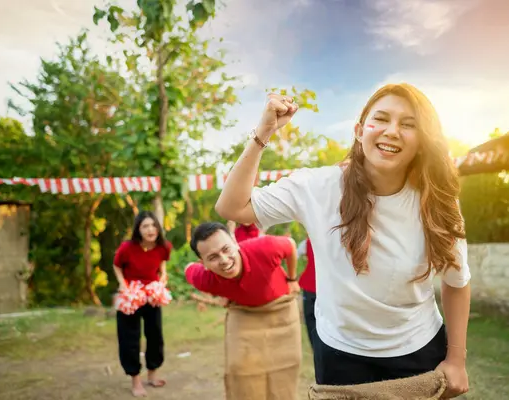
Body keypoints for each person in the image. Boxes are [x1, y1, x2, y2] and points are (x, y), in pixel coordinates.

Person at [214, 84, 471, 398]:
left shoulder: (439, 202)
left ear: (422, 141)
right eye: (382, 119)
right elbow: (232, 207)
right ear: (360, 131)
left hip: (417, 351)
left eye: (408, 124)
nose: (392, 131)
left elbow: (457, 281)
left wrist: (456, 359)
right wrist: (262, 133)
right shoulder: (318, 186)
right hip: (340, 355)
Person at [184, 222, 301, 400]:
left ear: (235, 242)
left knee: (285, 369)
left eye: (226, 249)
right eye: (213, 257)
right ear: (204, 263)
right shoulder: (204, 278)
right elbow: (188, 270)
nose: (223, 260)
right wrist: (219, 292)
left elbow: (291, 245)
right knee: (240, 370)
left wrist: (292, 278)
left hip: (281, 311)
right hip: (245, 315)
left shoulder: (264, 248)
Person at [113, 211, 171, 397]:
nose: (150, 229)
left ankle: (152, 374)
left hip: (152, 295)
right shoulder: (127, 248)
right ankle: (136, 381)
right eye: (145, 226)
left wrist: (162, 279)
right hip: (131, 297)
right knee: (130, 338)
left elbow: (162, 265)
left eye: (153, 225)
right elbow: (117, 265)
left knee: (155, 334)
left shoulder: (163, 247)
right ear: (138, 230)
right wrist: (123, 285)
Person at [298, 238, 317, 349]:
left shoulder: (306, 242)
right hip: (321, 287)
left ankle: (314, 347)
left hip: (310, 287)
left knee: (310, 321)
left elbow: (294, 254)